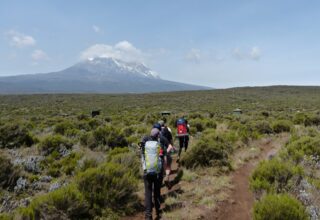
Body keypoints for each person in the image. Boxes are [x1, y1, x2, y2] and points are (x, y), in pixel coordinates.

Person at [140, 128, 169, 220]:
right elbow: (164, 159)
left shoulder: (144, 145)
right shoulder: (159, 145)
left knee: (148, 194)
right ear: (158, 136)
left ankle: (148, 216)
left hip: (147, 172)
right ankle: (158, 211)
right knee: (157, 192)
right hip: (157, 173)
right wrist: (165, 172)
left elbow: (141, 156)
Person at [158, 120, 175, 187]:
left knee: (160, 166)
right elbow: (171, 140)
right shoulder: (168, 130)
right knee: (168, 165)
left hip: (159, 151)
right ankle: (167, 177)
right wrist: (172, 147)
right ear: (164, 124)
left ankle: (160, 182)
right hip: (167, 149)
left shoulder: (157, 131)